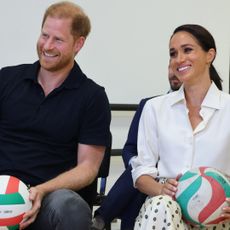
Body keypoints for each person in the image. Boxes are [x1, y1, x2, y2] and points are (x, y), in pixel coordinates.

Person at [0, 2, 111, 230]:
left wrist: (41, 191)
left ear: (78, 44)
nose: (47, 46)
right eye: (44, 35)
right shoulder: (7, 79)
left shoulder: (92, 97)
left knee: (69, 207)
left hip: (47, 200)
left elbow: (88, 168)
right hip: (2, 189)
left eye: (58, 40)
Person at [131, 24, 230, 230]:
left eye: (188, 50)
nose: (179, 59)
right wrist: (161, 190)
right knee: (160, 205)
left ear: (209, 55)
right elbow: (141, 173)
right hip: (167, 209)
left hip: (219, 214)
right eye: (173, 53)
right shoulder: (154, 108)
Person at [92, 66, 182, 230]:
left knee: (138, 182)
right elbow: (129, 148)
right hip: (147, 175)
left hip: (172, 178)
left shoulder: (199, 111)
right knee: (139, 174)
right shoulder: (150, 105)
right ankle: (101, 220)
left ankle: (101, 219)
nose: (173, 72)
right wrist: (141, 168)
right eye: (170, 67)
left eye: (179, 68)